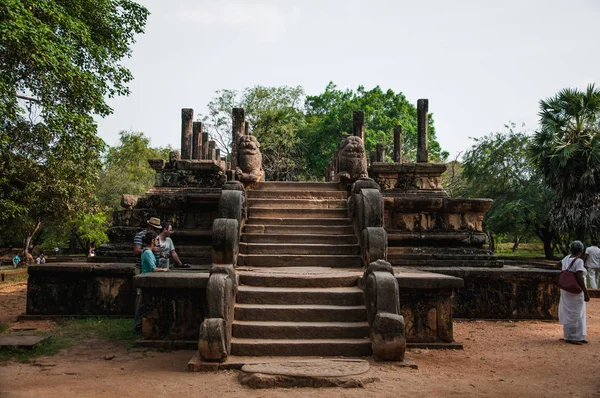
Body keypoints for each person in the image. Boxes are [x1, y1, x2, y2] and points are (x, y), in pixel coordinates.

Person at [133, 231, 169, 333]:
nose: (158, 241)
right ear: (153, 241)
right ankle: (139, 325)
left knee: (145, 304)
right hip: (146, 280)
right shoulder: (148, 252)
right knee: (143, 305)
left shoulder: (149, 252)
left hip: (148, 279)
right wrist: (164, 270)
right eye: (157, 239)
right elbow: (153, 268)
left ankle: (141, 325)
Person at [558, 240, 590, 345]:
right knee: (577, 313)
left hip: (566, 290)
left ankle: (573, 335)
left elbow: (557, 265)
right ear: (581, 251)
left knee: (569, 312)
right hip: (576, 290)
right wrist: (585, 292)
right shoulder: (579, 261)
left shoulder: (566, 258)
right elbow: (579, 277)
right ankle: (574, 337)